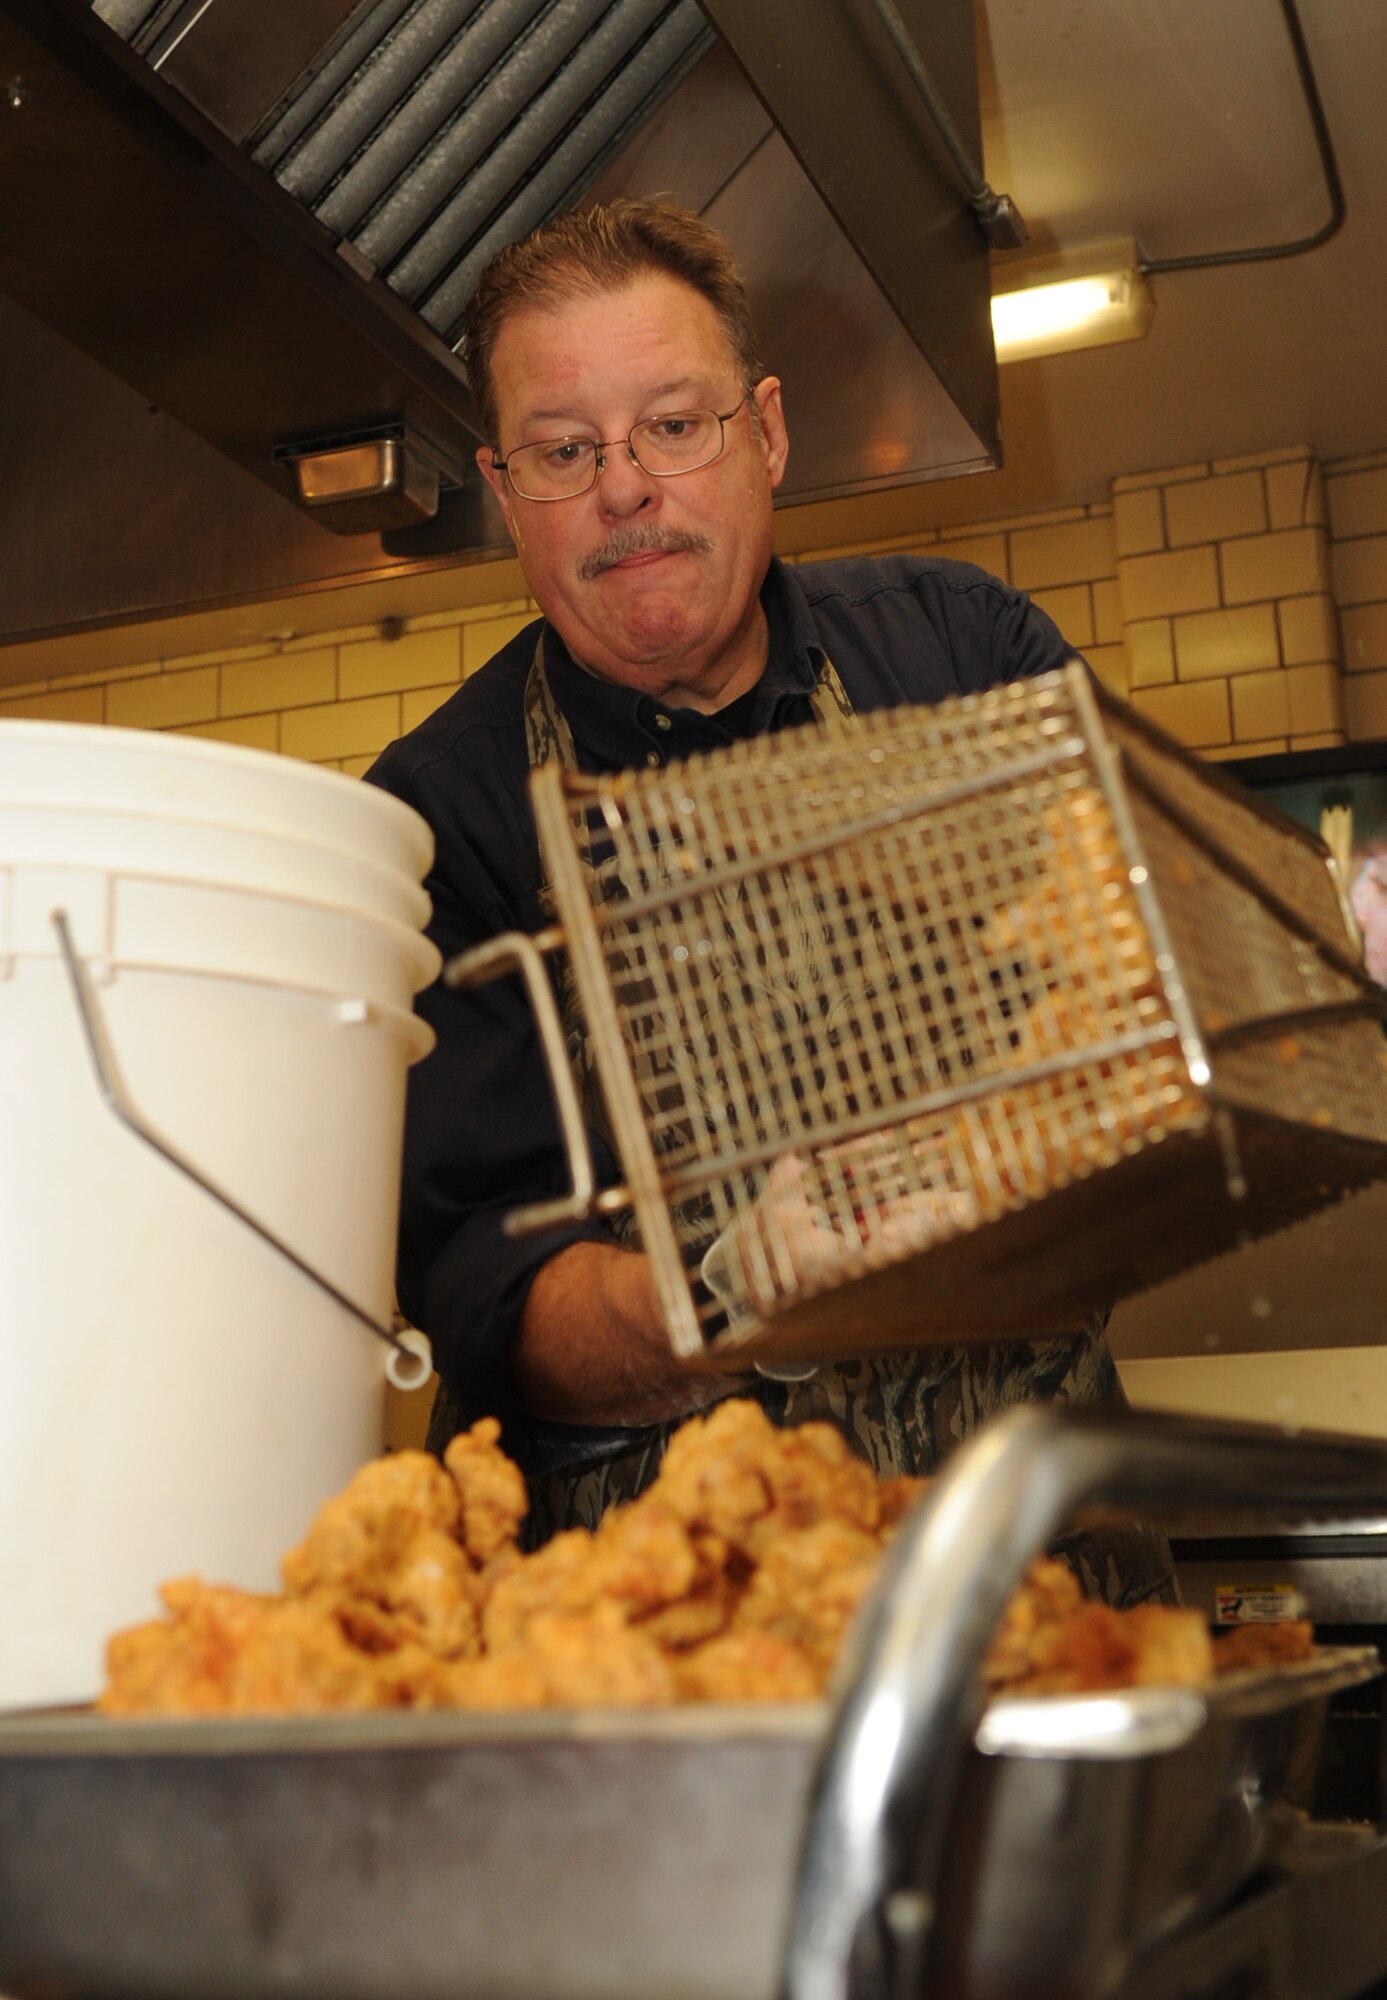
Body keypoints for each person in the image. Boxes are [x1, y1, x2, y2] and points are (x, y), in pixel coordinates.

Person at [366, 197, 1172, 1601]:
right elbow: (498, 1295)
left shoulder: (963, 659)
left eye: (675, 424)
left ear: (769, 434)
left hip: (1038, 1580)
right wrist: (729, 1305)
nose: (624, 489)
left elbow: (1135, 1004)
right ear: (510, 497)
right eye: (566, 450)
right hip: (667, 1645)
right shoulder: (441, 819)